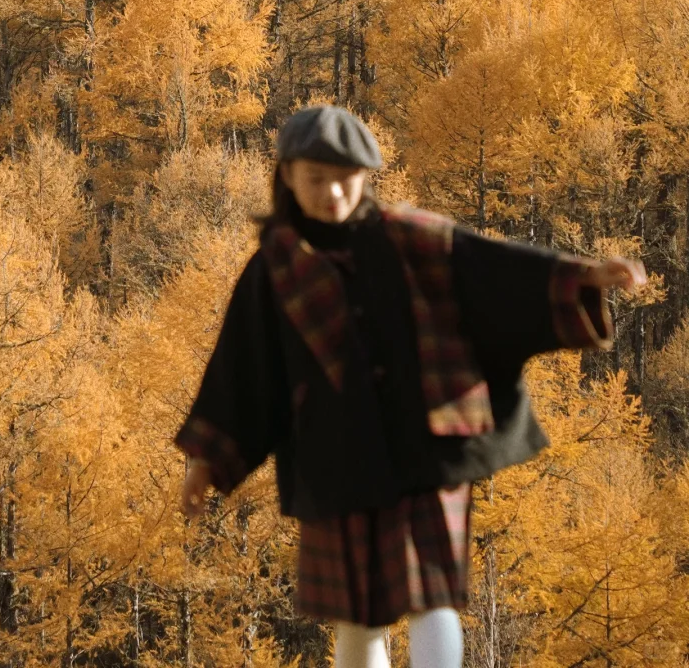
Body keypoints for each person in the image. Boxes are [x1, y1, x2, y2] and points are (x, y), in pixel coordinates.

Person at [175, 105, 647, 668]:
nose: (332, 193)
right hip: (335, 459)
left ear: (365, 176)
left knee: (434, 597)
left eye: (346, 178)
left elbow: (495, 269)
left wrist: (581, 276)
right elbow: (242, 370)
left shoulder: (410, 237)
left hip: (426, 451)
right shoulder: (272, 270)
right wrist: (206, 460)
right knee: (357, 614)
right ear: (287, 177)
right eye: (316, 178)